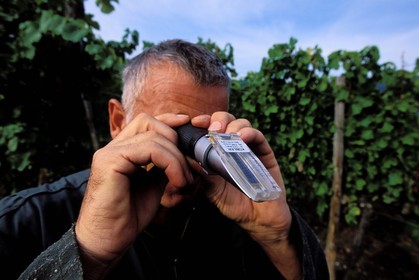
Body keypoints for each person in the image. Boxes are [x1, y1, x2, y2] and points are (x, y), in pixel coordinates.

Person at [0, 39, 329, 280]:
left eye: (204, 143)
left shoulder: (238, 222)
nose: (188, 162)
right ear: (118, 121)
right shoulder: (23, 224)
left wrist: (277, 239)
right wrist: (86, 253)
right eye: (172, 133)